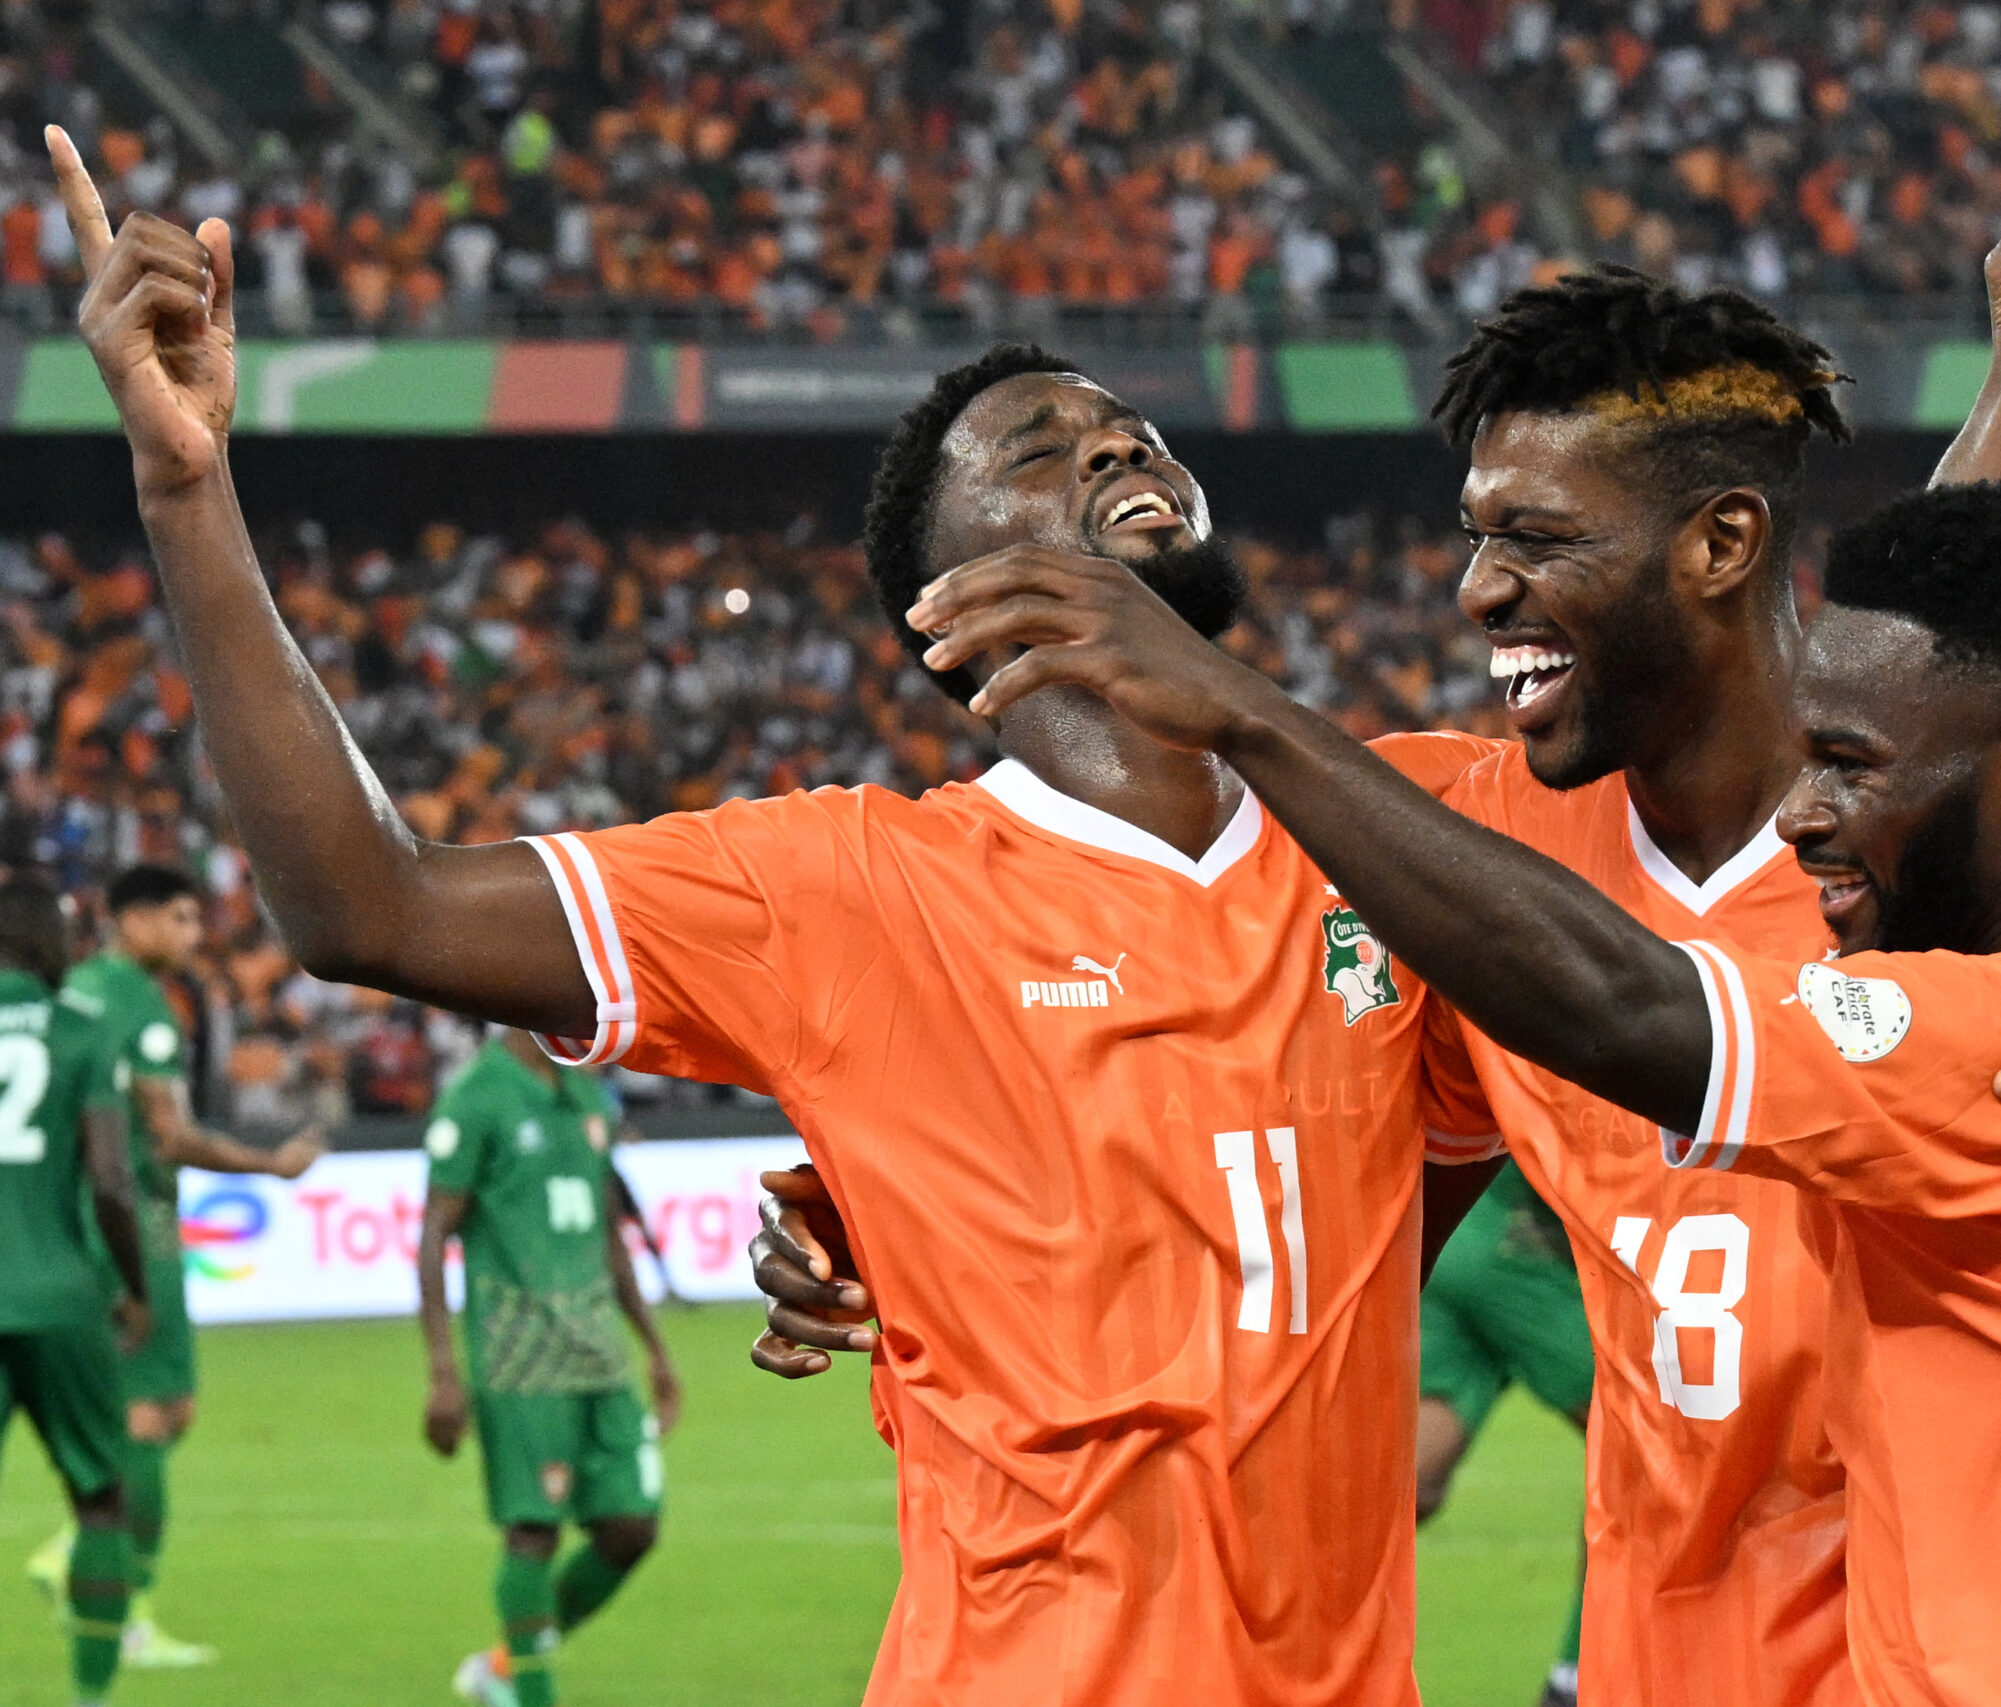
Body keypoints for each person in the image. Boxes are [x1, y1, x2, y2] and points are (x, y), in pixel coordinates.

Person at [764, 46, 2001, 1706]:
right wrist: (908, 1182)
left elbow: (1894, 716)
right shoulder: (1468, 846)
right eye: (1474, 540)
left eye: (1534, 541)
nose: (1478, 597)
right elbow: (1206, 995)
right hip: (1665, 1645)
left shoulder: (1983, 911)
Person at [44, 120, 1518, 1705]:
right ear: (946, 612)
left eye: (1139, 430)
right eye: (1041, 448)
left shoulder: (1418, 825)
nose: (1120, 448)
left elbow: (1390, 1206)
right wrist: (189, 491)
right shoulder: (845, 888)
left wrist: (973, 1206)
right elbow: (369, 904)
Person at [905, 477, 2001, 1704]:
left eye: (1850, 765)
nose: (1802, 815)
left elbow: (1632, 995)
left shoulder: (1989, 1046)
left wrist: (1245, 712)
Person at [26, 863, 326, 1668]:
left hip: (57, 1215)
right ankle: (115, 1600)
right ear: (134, 919)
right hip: (132, 1220)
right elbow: (169, 1135)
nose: (195, 936)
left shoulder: (70, 987)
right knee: (150, 1415)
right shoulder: (140, 1005)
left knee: (167, 1408)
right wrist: (271, 1164)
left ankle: (83, 1562)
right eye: (182, 918)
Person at [419, 1030, 681, 1707]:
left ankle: (505, 1667)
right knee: (533, 1528)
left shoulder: (585, 1091)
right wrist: (444, 1371)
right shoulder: (476, 1098)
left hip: (599, 1348)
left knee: (632, 1527)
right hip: (518, 1353)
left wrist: (654, 1346)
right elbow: (433, 1235)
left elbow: (606, 1233)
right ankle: (532, 1693)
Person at [0, 870, 150, 1707]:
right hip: (61, 1293)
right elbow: (111, 1179)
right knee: (99, 1495)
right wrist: (135, 1288)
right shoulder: (82, 1030)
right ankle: (91, 1698)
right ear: (35, 940)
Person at [1415, 1162, 1592, 1707]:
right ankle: (1580, 1679)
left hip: (1449, 1229)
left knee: (1398, 1489)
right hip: (1515, 1250)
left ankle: (1273, 1662)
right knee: (1650, 1452)